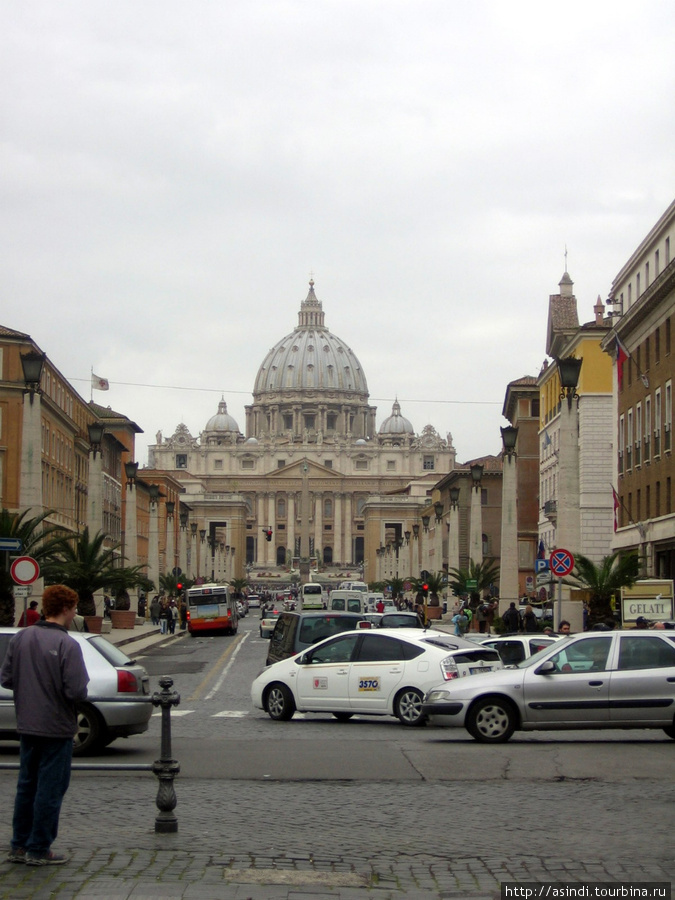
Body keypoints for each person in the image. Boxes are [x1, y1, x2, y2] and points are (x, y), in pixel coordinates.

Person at [1, 584, 89, 867]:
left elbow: (6, 678)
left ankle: (19, 845)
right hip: (56, 726)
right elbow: (76, 690)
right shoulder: (68, 644)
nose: (75, 612)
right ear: (65, 609)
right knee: (50, 789)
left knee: (26, 786)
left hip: (27, 723)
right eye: (73, 607)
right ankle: (39, 848)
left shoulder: (21, 639)